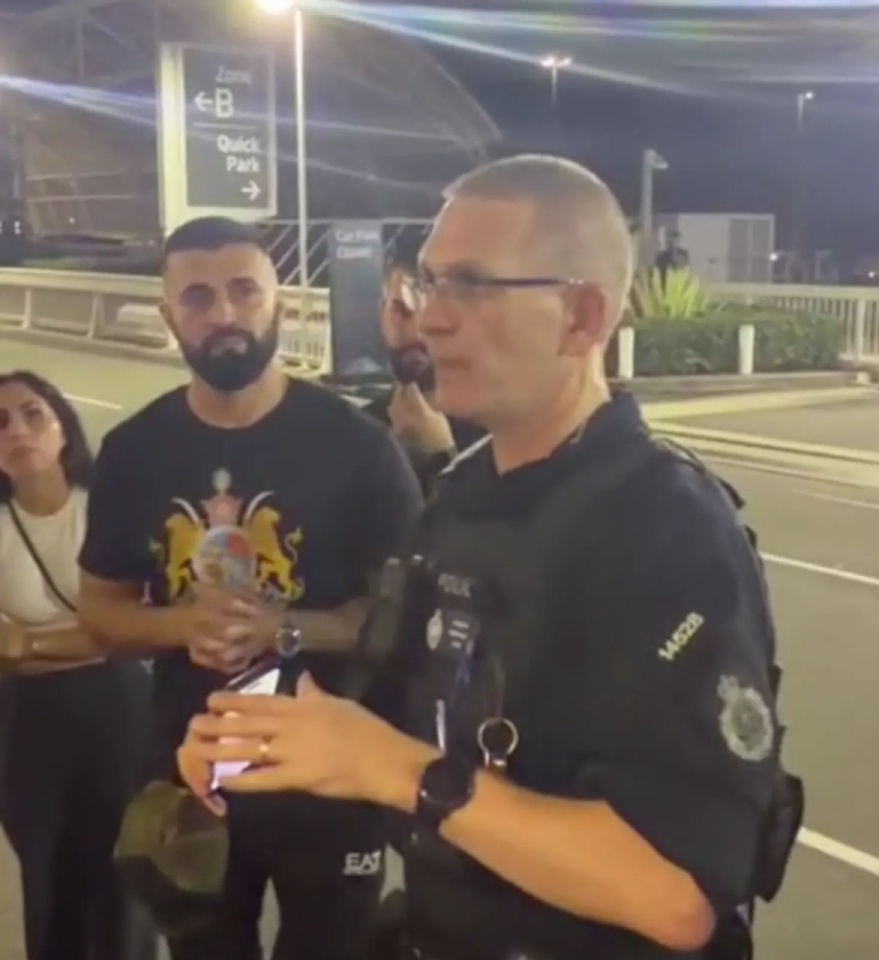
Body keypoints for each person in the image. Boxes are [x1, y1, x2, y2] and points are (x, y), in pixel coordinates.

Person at [174, 159, 801, 959]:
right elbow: (395, 713)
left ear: (583, 316)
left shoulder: (663, 528)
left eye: (471, 285)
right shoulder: (462, 497)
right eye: (430, 282)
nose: (429, 319)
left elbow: (676, 897)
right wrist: (258, 727)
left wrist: (402, 772)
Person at [77, 216, 422, 960]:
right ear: (169, 316)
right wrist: (181, 625)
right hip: (190, 771)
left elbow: (403, 617)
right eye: (198, 298)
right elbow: (100, 609)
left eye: (244, 290)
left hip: (333, 777)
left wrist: (282, 628)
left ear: (280, 303)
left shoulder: (360, 448)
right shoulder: (132, 452)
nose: (224, 313)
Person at [0, 370, 155, 960]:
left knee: (121, 866)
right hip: (24, 724)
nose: (17, 430)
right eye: (0, 423)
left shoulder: (107, 513)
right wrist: (97, 633)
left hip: (118, 711)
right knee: (45, 873)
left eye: (32, 414)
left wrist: (29, 644)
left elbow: (139, 624)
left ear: (63, 427)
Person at [361, 248, 485, 493]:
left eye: (434, 312)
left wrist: (441, 457)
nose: (417, 329)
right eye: (401, 310)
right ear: (381, 315)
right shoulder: (359, 432)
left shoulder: (499, 434)